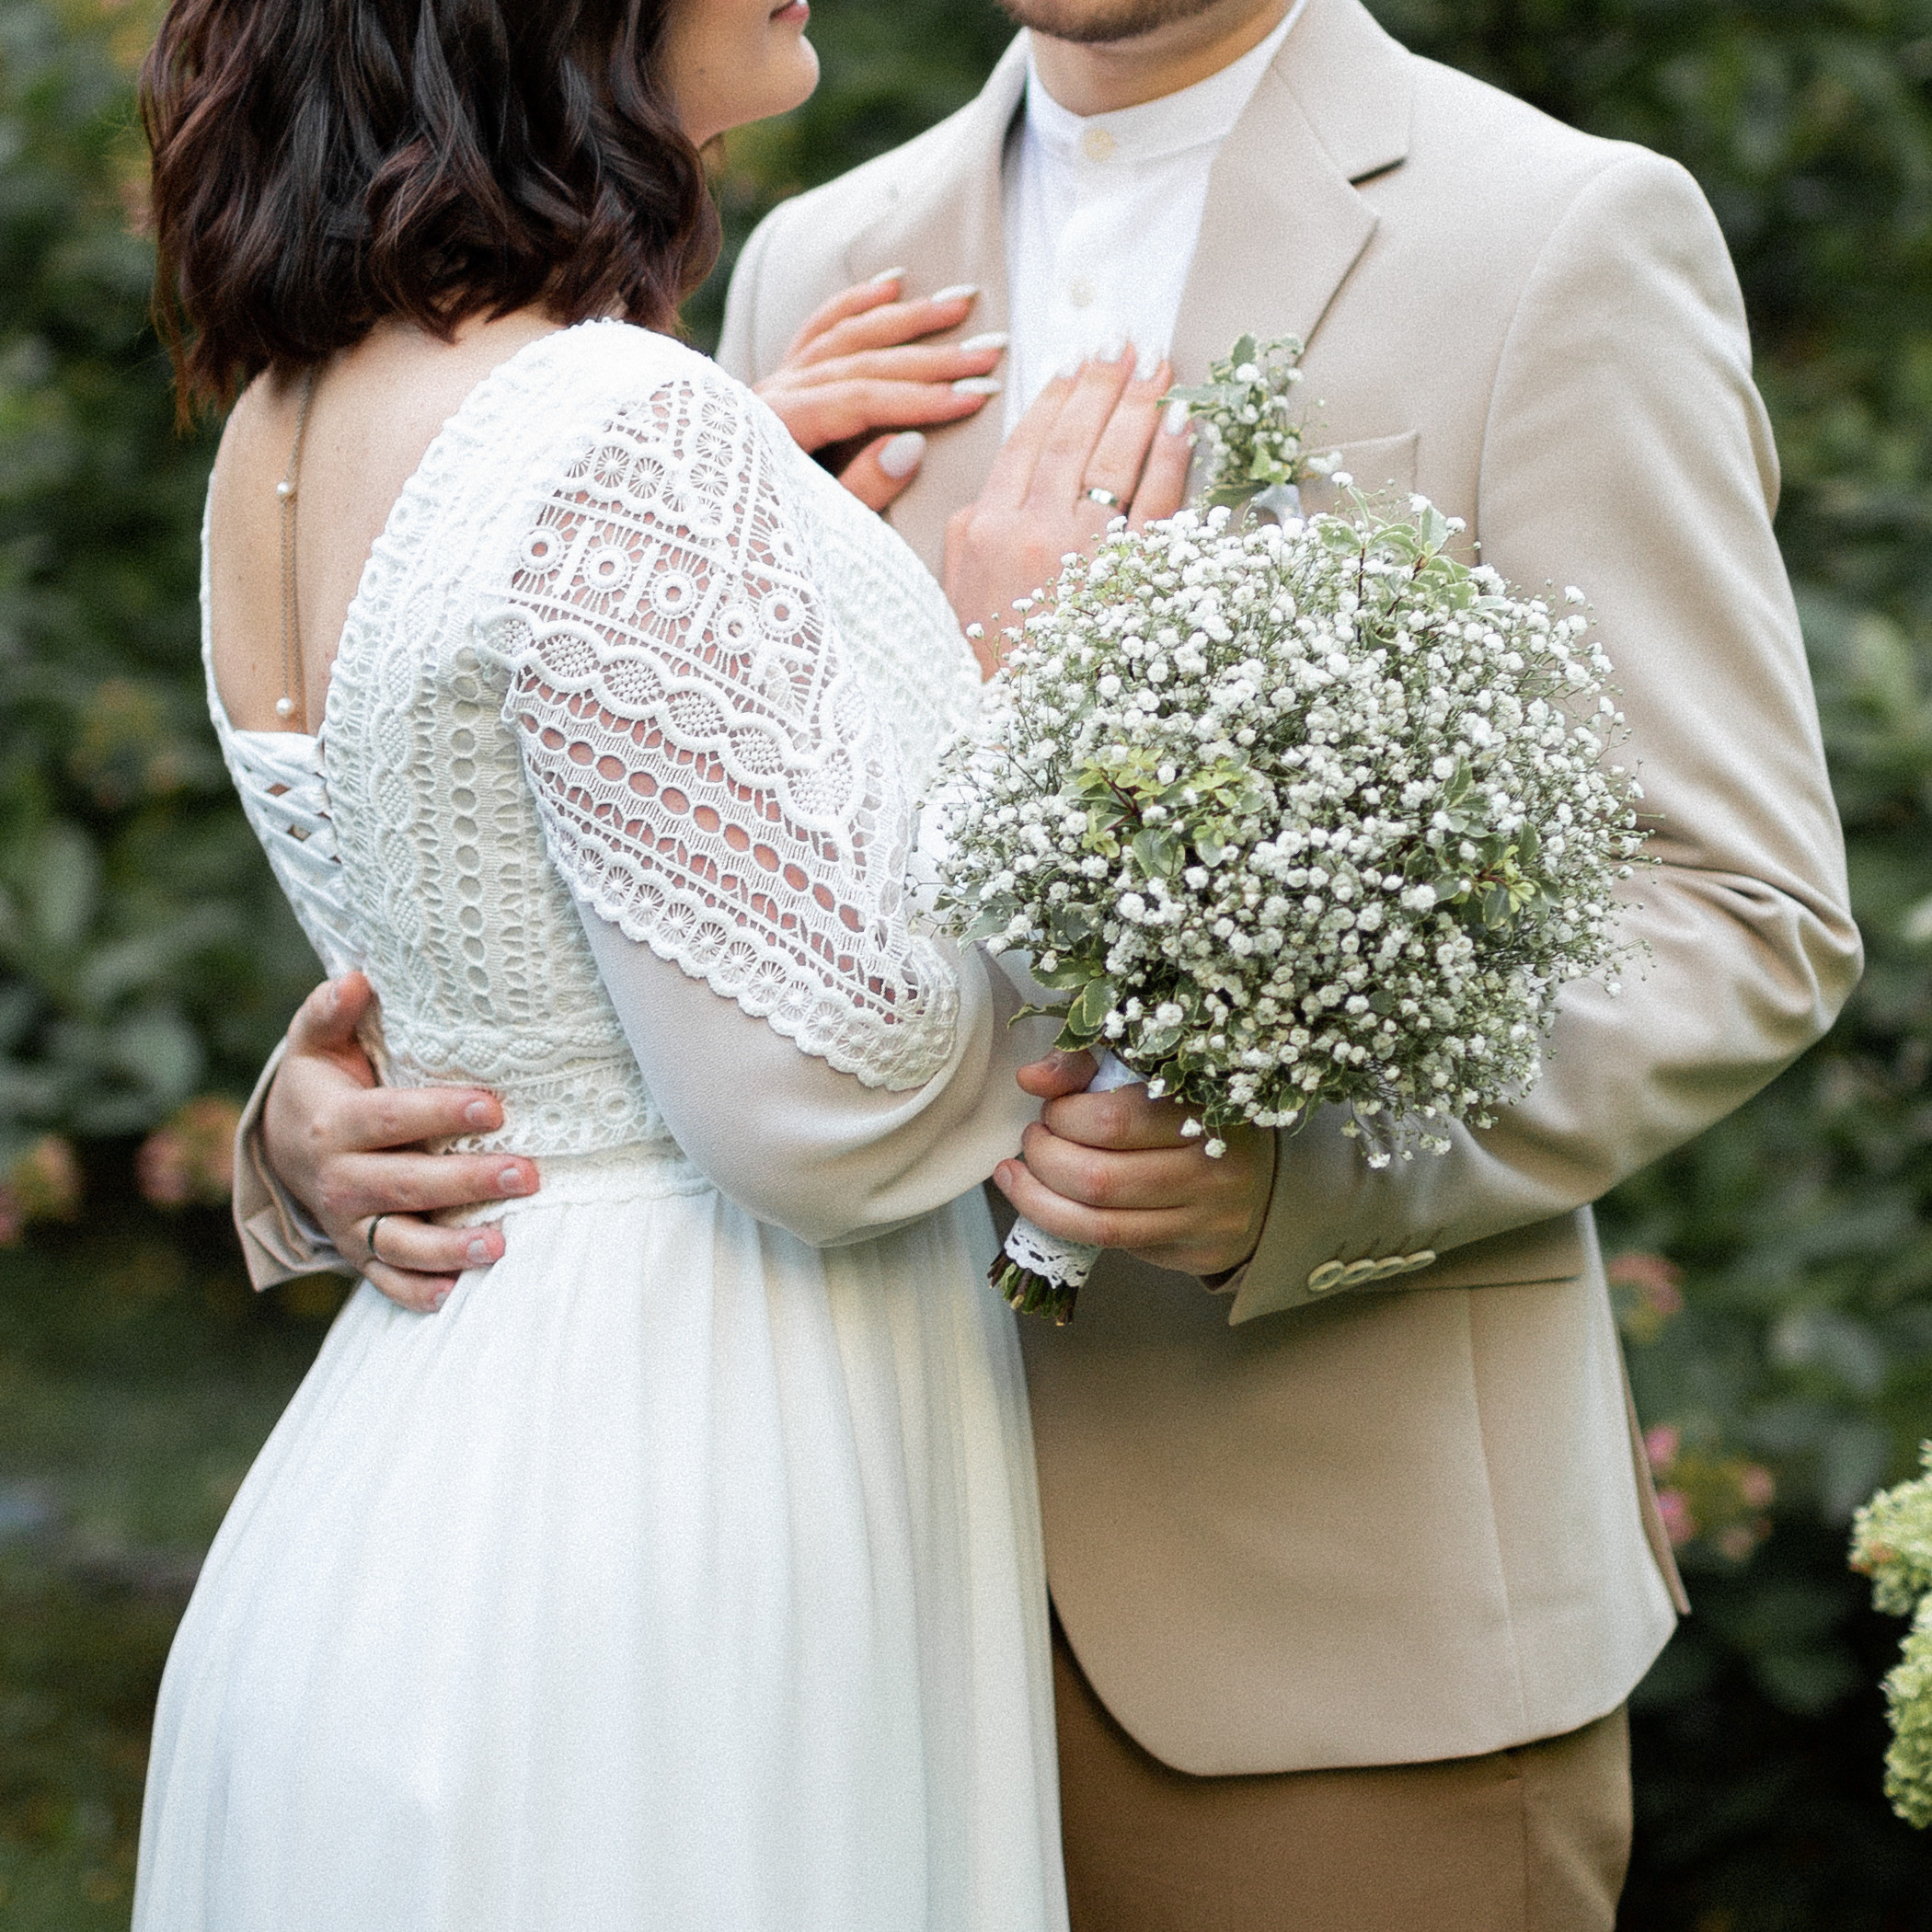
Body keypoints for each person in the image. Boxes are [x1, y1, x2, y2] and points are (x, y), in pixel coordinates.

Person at [235, 0, 1863, 1925]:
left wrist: (1291, 1178)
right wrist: (321, 1114)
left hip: (1319, 1641)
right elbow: (635, 862)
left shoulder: (1559, 231)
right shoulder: (817, 258)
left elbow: (1739, 908)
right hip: (811, 1621)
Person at [129, 0, 1212, 1925]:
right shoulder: (619, 431)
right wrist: (1022, 654)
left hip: (417, 1472)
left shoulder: (283, 434)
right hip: (676, 1498)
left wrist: (755, 511)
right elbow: (835, 1096)